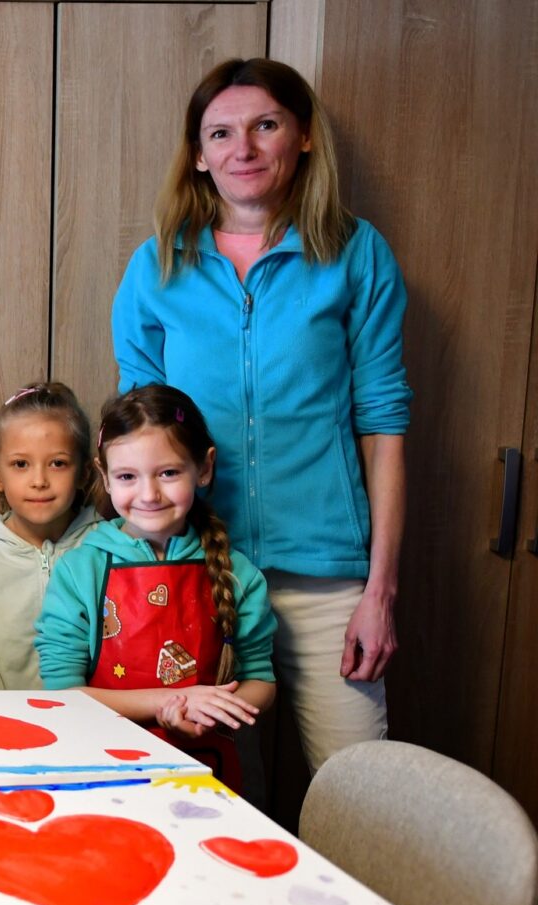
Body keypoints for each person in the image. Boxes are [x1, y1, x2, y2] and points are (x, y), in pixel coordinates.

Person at [112, 57, 409, 773]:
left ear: (302, 137)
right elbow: (135, 437)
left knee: (358, 789)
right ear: (199, 154)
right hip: (195, 571)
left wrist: (379, 591)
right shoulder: (157, 267)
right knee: (202, 787)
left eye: (265, 126)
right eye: (220, 133)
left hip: (325, 578)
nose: (241, 149)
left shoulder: (356, 253)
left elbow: (384, 427)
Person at [35, 385, 276, 794]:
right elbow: (64, 692)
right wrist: (169, 704)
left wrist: (210, 712)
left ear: (204, 468)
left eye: (168, 473)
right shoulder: (79, 571)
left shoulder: (240, 575)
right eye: (127, 476)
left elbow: (262, 681)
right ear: (104, 477)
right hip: (101, 772)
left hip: (209, 772)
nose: (149, 494)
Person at [0, 383, 100, 689]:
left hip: (94, 711)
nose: (39, 481)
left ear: (84, 473)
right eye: (21, 464)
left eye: (58, 463)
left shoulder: (105, 547)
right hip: (3, 714)